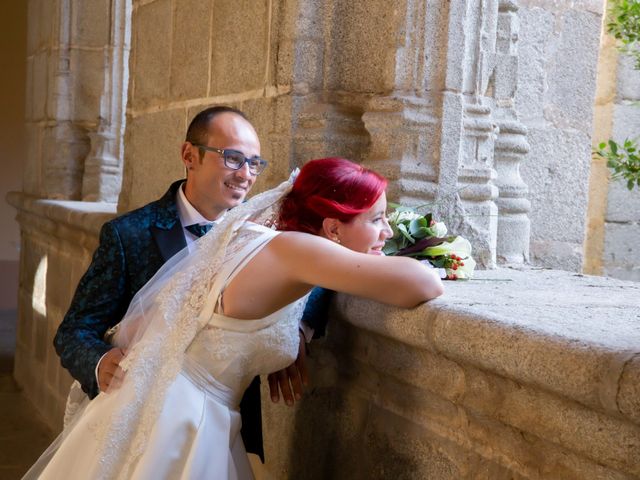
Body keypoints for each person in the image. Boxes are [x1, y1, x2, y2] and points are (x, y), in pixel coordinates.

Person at [26, 157, 444, 479]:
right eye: (377, 220)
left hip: (171, 398)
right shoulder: (297, 250)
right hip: (186, 420)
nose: (388, 231)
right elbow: (424, 285)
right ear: (333, 229)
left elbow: (148, 322)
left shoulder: (261, 238)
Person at [52, 106, 328, 463]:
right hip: (144, 429)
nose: (245, 175)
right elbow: (74, 330)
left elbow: (323, 264)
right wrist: (99, 361)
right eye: (232, 158)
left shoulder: (265, 232)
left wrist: (296, 330)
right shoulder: (129, 234)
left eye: (255, 163)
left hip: (226, 426)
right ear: (188, 155)